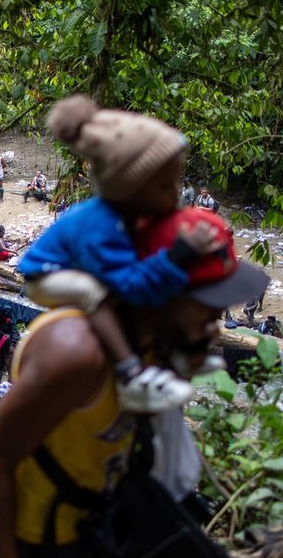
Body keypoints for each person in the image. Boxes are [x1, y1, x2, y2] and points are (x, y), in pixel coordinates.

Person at [0, 208, 269, 558]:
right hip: (47, 543)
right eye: (208, 308)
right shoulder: (75, 354)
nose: (216, 327)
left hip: (106, 520)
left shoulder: (153, 344)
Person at [17, 95, 221, 412]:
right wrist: (178, 254)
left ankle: (177, 348)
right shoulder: (101, 225)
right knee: (95, 293)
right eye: (165, 187)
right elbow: (128, 283)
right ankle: (130, 374)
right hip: (48, 273)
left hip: (87, 265)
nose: (175, 195)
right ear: (130, 189)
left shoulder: (130, 217)